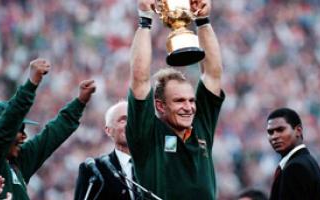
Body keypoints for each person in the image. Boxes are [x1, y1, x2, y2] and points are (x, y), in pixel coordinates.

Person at [126, 0, 224, 199]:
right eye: (179, 101)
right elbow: (140, 79)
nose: (188, 107)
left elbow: (213, 74)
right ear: (160, 106)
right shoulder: (146, 134)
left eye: (191, 100)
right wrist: (145, 20)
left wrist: (203, 20)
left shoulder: (200, 127)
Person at [0, 58, 96, 199]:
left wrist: (79, 103)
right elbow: (8, 123)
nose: (24, 136)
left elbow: (50, 136)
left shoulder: (17, 162)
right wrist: (30, 85)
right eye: (19, 130)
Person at [74, 101, 140, 200]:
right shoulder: (93, 170)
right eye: (122, 121)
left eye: (133, 119)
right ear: (108, 130)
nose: (129, 124)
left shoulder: (157, 165)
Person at [266, 107, 320, 200]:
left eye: (280, 130)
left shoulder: (296, 167)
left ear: (298, 131)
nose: (274, 136)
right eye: (270, 132)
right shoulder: (307, 161)